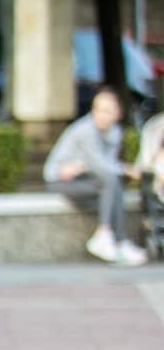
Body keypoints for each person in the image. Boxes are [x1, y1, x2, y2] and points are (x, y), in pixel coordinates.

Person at [44, 88, 146, 266]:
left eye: (108, 111)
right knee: (111, 182)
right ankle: (108, 235)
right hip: (60, 181)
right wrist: (126, 169)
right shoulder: (86, 131)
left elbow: (105, 166)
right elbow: (100, 165)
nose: (102, 115)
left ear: (118, 113)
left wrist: (119, 170)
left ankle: (116, 240)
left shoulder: (114, 132)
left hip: (87, 179)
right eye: (98, 110)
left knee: (113, 185)